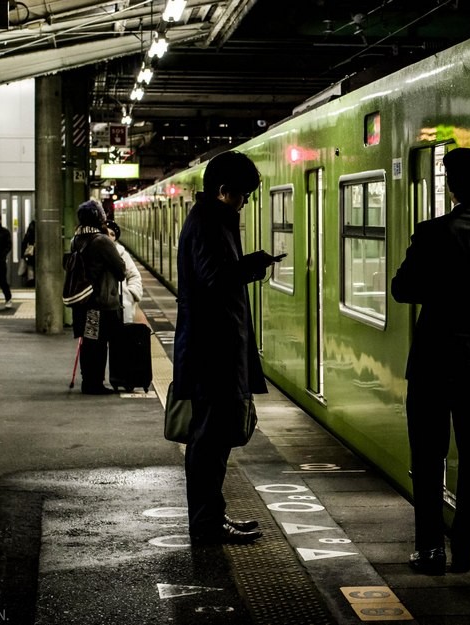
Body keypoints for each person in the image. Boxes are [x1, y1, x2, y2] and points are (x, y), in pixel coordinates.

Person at [391, 147, 470, 575]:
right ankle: (465, 551)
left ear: (449, 188)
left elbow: (402, 290)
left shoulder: (430, 233)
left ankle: (429, 550)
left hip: (432, 361)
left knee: (428, 459)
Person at [172, 150, 276, 545]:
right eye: (242, 194)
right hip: (211, 354)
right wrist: (252, 265)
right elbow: (215, 278)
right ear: (222, 190)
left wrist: (248, 264)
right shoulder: (207, 222)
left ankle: (212, 518)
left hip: (214, 351)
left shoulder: (210, 220)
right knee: (208, 444)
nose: (245, 201)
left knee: (213, 444)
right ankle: (206, 525)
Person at [68, 199, 126, 395]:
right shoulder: (101, 241)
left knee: (89, 342)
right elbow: (120, 269)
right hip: (99, 303)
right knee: (99, 344)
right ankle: (95, 384)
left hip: (82, 301)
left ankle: (89, 381)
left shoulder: (76, 239)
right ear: (98, 217)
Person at [105, 220, 143, 324]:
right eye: (106, 233)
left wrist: (130, 294)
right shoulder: (94, 253)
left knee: (120, 332)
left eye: (112, 234)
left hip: (121, 304)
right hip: (100, 307)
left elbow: (134, 276)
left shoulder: (122, 254)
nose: (109, 236)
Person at [20, 219, 36, 286]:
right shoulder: (41, 233)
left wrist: (22, 255)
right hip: (37, 253)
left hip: (31, 253)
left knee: (30, 266)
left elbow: (24, 243)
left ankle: (31, 281)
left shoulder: (29, 234)